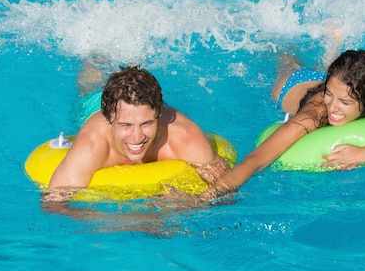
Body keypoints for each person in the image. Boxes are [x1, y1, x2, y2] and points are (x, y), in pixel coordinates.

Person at [201, 49, 365, 200]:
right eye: (331, 96)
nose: (333, 108)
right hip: (295, 87)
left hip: (337, 80)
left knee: (334, 80)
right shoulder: (316, 111)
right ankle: (282, 49)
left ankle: (329, 58)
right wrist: (205, 197)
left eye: (344, 102)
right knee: (288, 64)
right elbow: (255, 160)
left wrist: (364, 154)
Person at [42, 65, 228, 205]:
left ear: (158, 115)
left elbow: (228, 187)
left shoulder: (185, 137)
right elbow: (53, 204)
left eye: (147, 124)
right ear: (109, 120)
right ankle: (93, 56)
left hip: (138, 105)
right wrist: (133, 222)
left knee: (138, 86)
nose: (137, 137)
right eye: (125, 125)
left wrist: (192, 201)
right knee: (91, 82)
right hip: (92, 106)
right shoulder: (92, 145)